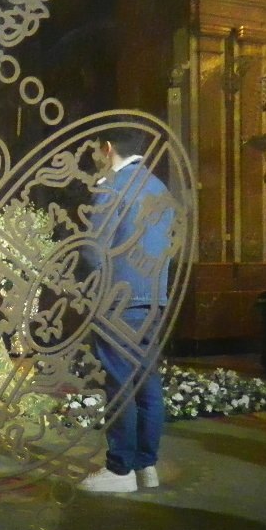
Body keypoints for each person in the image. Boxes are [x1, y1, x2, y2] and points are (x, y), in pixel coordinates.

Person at [77, 125, 175, 494]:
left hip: (118, 300)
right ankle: (146, 466)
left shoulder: (113, 186)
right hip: (154, 298)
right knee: (146, 383)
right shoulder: (160, 188)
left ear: (107, 148)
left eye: (96, 151)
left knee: (119, 385)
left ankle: (120, 470)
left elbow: (93, 249)